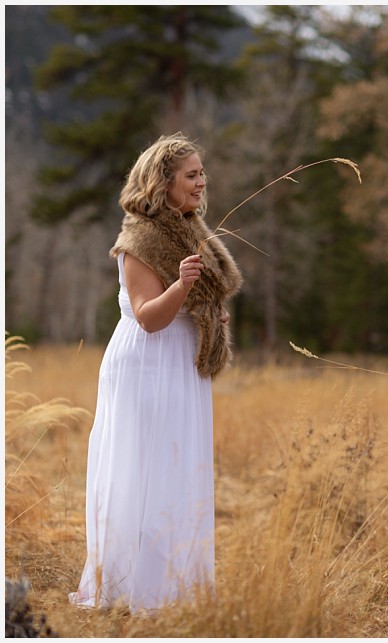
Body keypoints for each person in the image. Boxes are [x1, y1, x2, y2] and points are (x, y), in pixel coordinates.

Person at [70, 133, 242, 613]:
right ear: (163, 182)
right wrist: (185, 287)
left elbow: (185, 309)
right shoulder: (139, 240)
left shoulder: (191, 231)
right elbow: (148, 317)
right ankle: (133, 586)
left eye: (202, 173)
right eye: (191, 175)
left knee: (178, 467)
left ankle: (174, 586)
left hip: (181, 363)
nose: (201, 182)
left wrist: (208, 314)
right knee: (143, 470)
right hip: (147, 366)